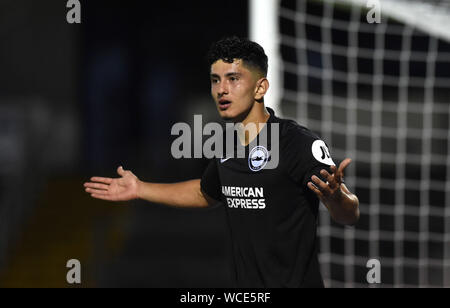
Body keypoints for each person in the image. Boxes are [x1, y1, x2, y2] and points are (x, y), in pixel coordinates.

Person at [83, 36, 359, 288]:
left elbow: (350, 213)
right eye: (215, 80)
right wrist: (141, 188)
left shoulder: (296, 142)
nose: (221, 90)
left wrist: (335, 197)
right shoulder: (227, 143)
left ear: (260, 88)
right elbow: (206, 192)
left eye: (233, 79)